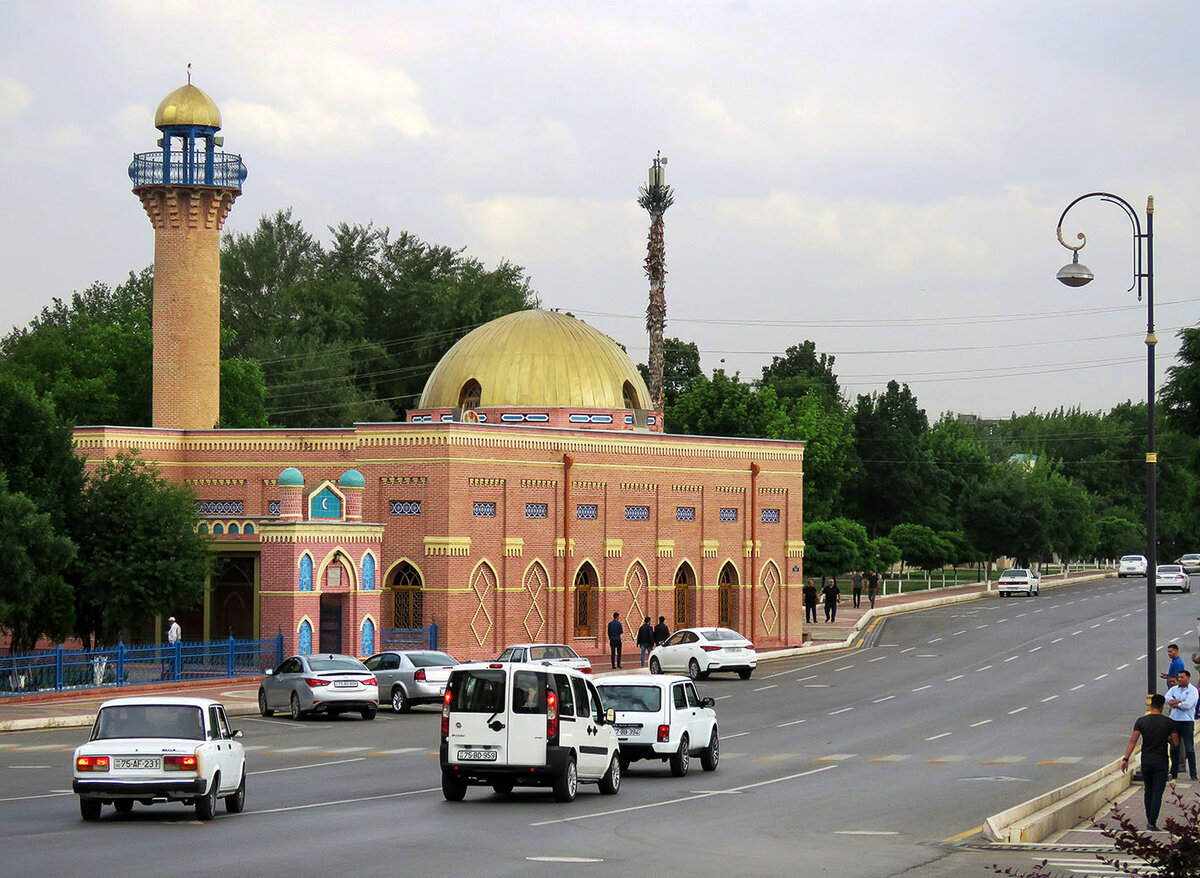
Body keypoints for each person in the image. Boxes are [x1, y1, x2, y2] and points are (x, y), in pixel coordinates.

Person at [1121, 693, 1179, 831]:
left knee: (1148, 790)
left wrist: (1125, 759)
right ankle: (1152, 821)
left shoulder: (1141, 721)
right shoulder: (1169, 722)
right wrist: (1167, 738)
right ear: (1162, 706)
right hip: (1161, 761)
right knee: (1157, 792)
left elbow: (1133, 741)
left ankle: (1149, 818)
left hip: (1146, 761)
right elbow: (1176, 743)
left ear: (1151, 704)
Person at [1166, 668, 1198, 780]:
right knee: (1174, 747)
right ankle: (1174, 772)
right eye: (1179, 677)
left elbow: (1188, 705)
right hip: (1174, 721)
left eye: (1182, 677)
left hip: (1187, 722)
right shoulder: (1174, 689)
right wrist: (1179, 702)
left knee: (1189, 748)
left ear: (1188, 678)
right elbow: (1167, 698)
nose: (1179, 679)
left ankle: (1193, 774)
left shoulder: (1193, 691)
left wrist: (1177, 703)